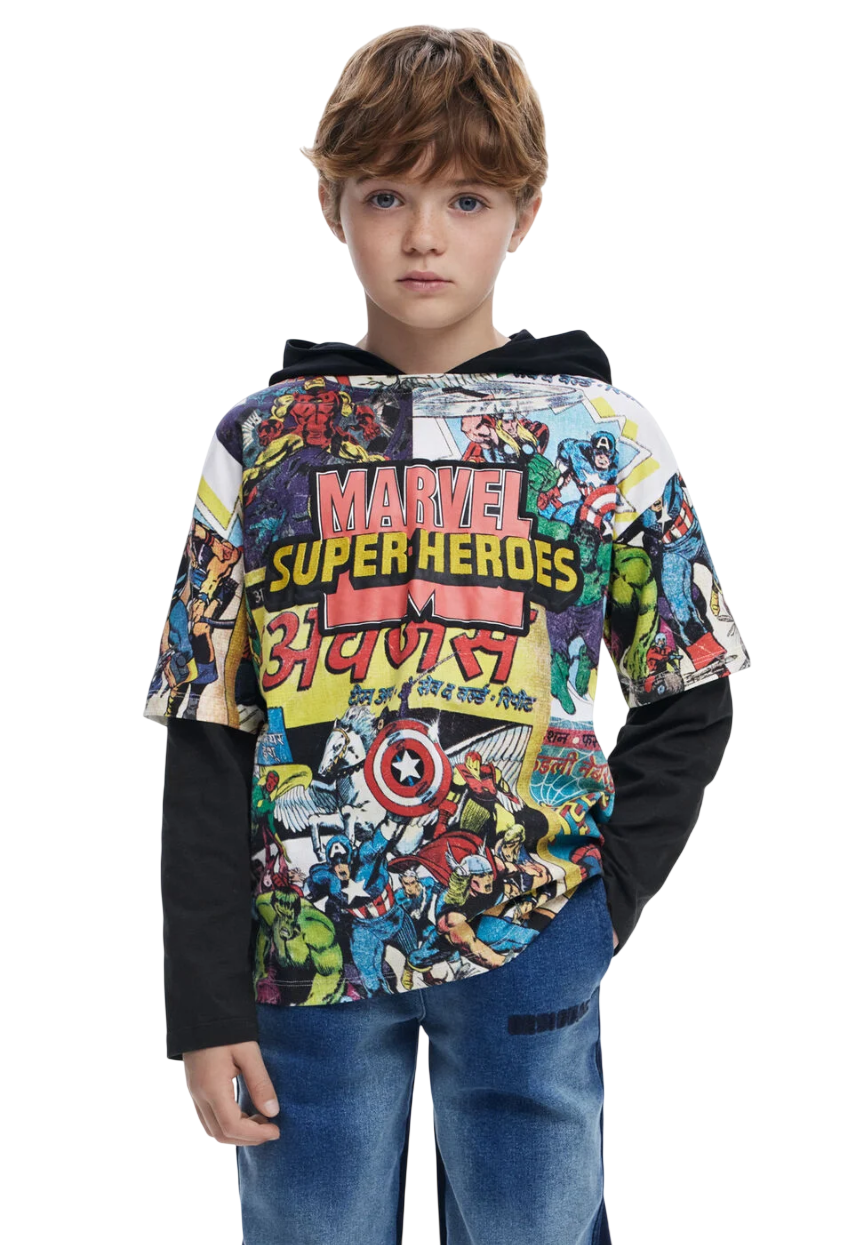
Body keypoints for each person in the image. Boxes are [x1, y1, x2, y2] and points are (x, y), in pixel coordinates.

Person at [143, 25, 750, 1245]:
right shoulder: (264, 443)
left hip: (529, 929)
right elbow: (209, 726)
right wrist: (201, 1005)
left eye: (465, 198)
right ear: (331, 204)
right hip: (306, 944)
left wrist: (601, 901)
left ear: (524, 212)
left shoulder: (596, 436)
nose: (423, 235)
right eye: (387, 195)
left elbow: (689, 692)